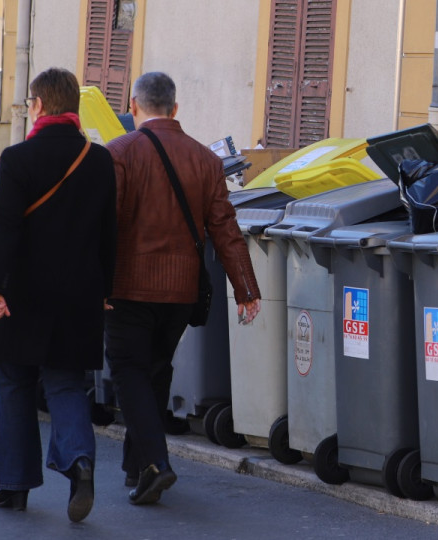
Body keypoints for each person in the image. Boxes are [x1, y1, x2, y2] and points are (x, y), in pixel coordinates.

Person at [105, 71, 261, 505]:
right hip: (180, 292)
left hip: (128, 287)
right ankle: (137, 469)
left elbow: (106, 226)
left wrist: (95, 282)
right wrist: (246, 288)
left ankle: (156, 463)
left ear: (133, 106)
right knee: (154, 371)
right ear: (175, 109)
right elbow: (226, 230)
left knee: (129, 372)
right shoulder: (205, 160)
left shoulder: (118, 153)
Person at [0, 67, 117, 523]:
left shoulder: (17, 159)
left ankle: (14, 487)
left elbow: (8, 229)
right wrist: (106, 290)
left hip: (23, 293)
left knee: (14, 381)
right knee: (67, 382)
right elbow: (108, 234)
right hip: (78, 294)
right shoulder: (99, 160)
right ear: (73, 106)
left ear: (37, 105)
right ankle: (80, 462)